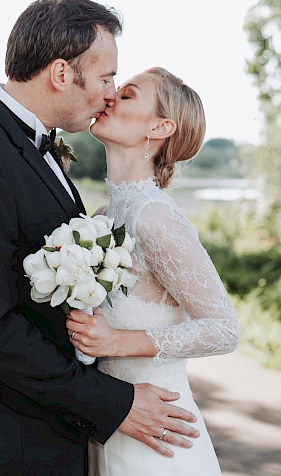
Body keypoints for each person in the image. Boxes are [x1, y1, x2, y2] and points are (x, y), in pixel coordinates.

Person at [0, 0, 201, 476]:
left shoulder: (33, 147)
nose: (110, 93)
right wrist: (114, 403)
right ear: (61, 73)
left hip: (56, 433)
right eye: (105, 78)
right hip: (15, 446)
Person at [66, 66, 242, 475]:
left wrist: (115, 341)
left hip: (159, 435)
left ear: (160, 127)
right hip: (111, 424)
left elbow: (224, 328)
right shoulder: (102, 217)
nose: (110, 97)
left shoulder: (155, 218)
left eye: (127, 95)